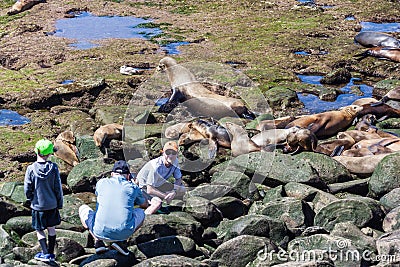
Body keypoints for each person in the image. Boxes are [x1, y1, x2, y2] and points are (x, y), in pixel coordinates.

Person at [78, 160, 158, 255]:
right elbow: (143, 205)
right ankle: (121, 242)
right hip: (124, 232)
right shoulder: (132, 187)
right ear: (128, 176)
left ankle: (98, 242)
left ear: (112, 174)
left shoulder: (101, 183)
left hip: (99, 231)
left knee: (82, 208)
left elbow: (101, 195)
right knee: (140, 212)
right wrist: (135, 187)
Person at [24, 139, 63, 262]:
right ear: (49, 154)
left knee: (39, 230)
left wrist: (30, 199)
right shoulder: (54, 168)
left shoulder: (31, 168)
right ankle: (51, 254)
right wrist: (59, 203)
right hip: (52, 205)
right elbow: (58, 188)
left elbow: (27, 188)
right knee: (51, 228)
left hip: (37, 206)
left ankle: (45, 253)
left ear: (37, 152)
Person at [136, 141, 186, 214]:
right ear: (163, 153)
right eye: (168, 153)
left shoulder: (175, 162)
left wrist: (174, 192)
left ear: (177, 154)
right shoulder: (156, 166)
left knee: (183, 189)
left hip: (158, 185)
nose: (171, 156)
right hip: (143, 188)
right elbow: (149, 190)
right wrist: (166, 196)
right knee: (157, 203)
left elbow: (178, 179)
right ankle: (144, 219)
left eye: (173, 153)